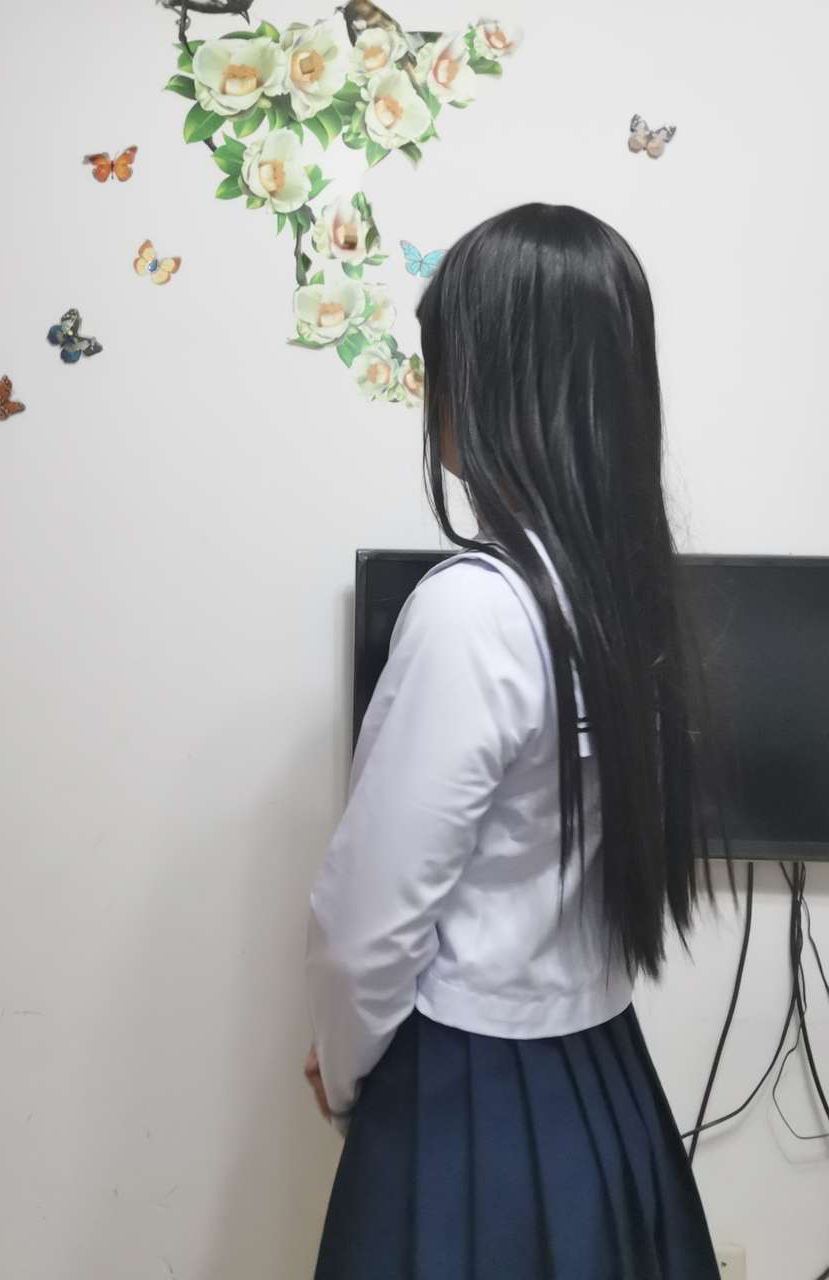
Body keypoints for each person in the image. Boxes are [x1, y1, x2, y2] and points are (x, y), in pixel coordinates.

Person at [303, 203, 726, 1279]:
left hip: (466, 1101)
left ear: (495, 381)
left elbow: (365, 927)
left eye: (443, 363)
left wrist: (347, 1080)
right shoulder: (624, 599)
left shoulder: (473, 610)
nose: (432, 394)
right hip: (606, 1083)